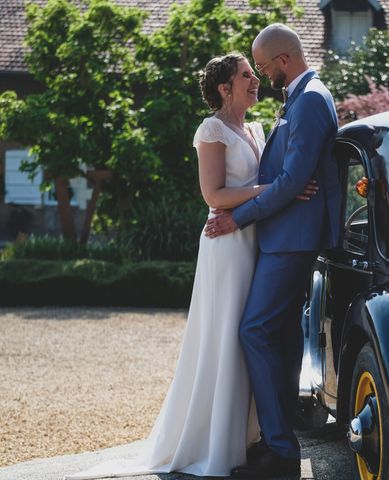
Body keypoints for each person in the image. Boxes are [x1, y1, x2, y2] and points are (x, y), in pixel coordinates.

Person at [65, 53, 318, 480]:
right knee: (226, 337)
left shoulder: (255, 128)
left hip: (256, 239)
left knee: (251, 340)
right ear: (225, 88)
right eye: (246, 76)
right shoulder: (212, 129)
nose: (255, 80)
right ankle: (213, 439)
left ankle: (247, 437)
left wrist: (278, 191)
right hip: (226, 243)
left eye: (255, 74)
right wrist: (281, 187)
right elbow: (215, 196)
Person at [205, 23, 341, 479]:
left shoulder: (310, 100)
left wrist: (237, 218)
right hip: (282, 236)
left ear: (284, 60)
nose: (262, 76)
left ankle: (281, 451)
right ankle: (275, 445)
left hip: (292, 240)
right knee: (280, 340)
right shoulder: (299, 99)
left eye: (263, 67)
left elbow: (293, 181)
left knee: (254, 332)